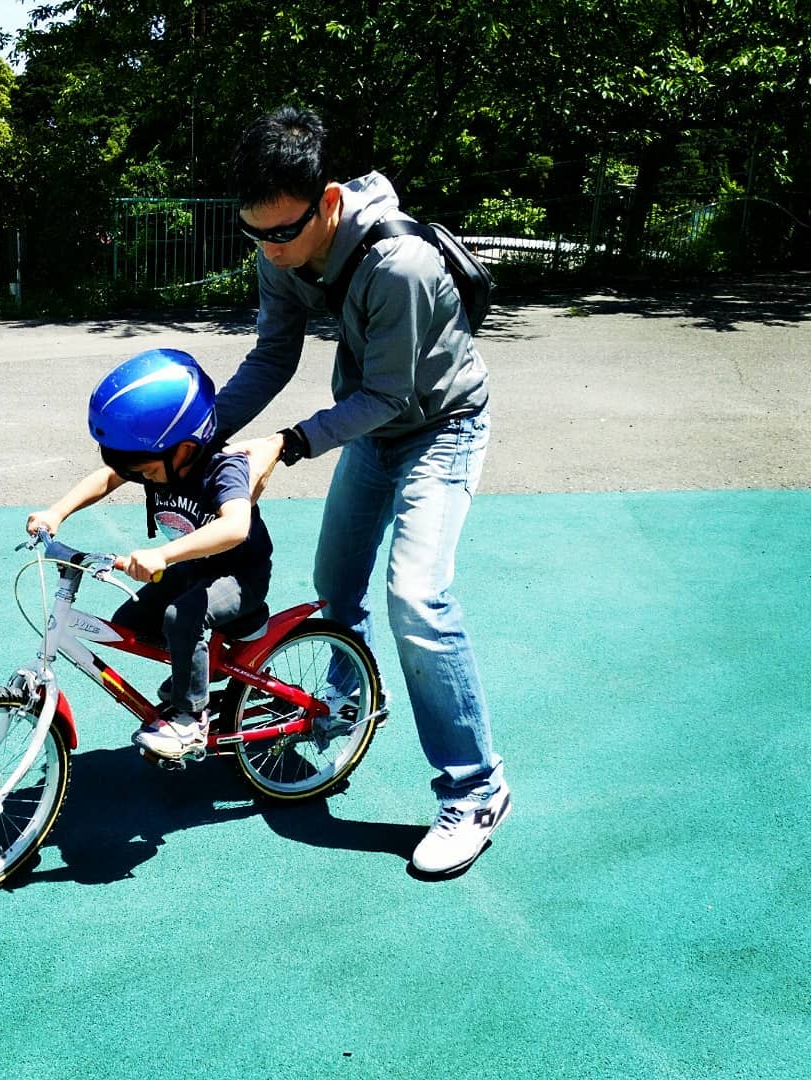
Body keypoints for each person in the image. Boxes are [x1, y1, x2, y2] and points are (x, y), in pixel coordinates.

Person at [216, 105, 510, 874]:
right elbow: (272, 356)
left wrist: (288, 442)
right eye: (256, 235)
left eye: (284, 233)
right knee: (334, 586)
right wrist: (200, 432)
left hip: (440, 424)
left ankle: (475, 789)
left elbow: (387, 394)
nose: (272, 253)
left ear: (330, 200)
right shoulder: (275, 250)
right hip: (375, 429)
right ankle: (342, 710)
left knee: (416, 595)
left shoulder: (398, 265)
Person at [27, 348, 273, 759]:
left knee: (182, 617)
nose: (140, 478)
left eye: (146, 472)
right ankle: (196, 673)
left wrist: (163, 554)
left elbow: (235, 527)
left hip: (238, 574)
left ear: (186, 447)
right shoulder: (157, 457)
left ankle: (192, 718)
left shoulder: (223, 467)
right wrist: (57, 511)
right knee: (132, 621)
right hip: (191, 567)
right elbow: (108, 477)